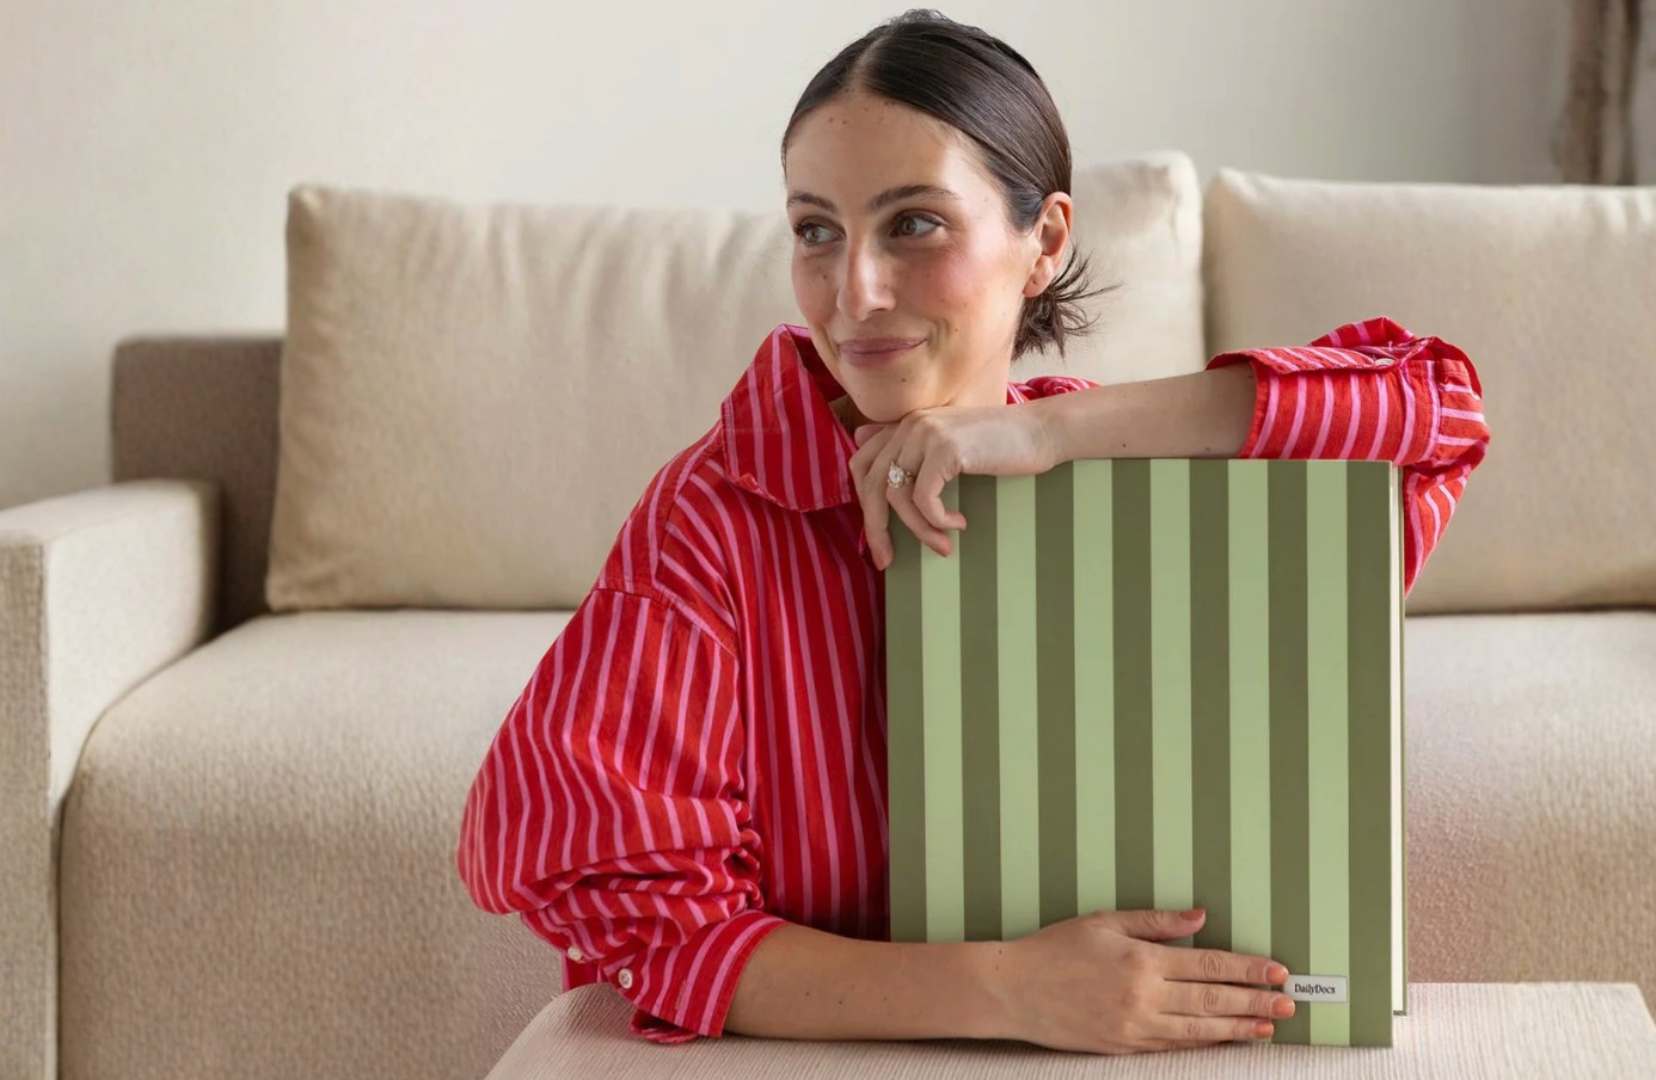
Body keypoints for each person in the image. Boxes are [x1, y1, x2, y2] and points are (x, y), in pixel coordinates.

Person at [456, 7, 1489, 1057]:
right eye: (816, 230)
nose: (853, 291)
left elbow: (1437, 414)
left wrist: (1050, 428)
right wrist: (1009, 993)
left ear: (1042, 241)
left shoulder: (1113, 478)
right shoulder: (710, 524)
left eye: (913, 223)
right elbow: (641, 924)